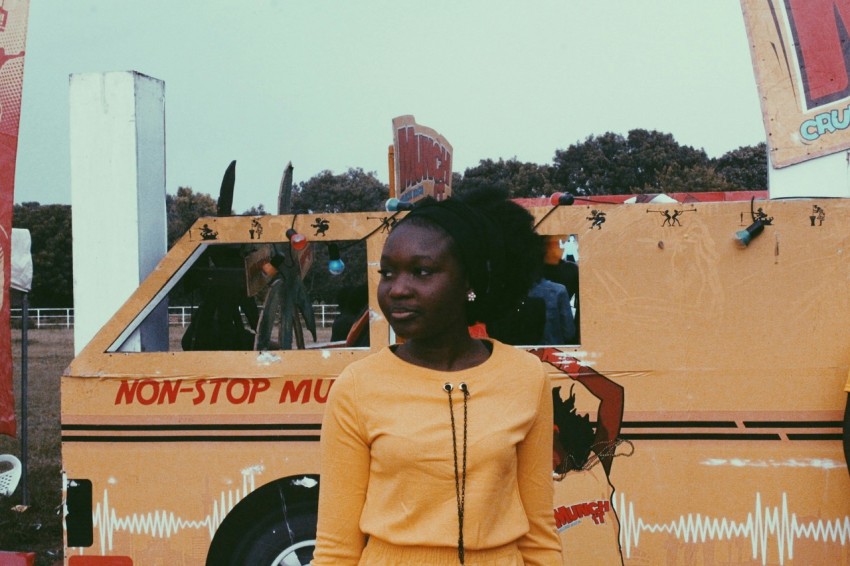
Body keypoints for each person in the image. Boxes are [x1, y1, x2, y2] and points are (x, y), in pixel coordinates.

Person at [312, 189, 564, 565]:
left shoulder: (525, 376)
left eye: (422, 271)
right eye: (388, 273)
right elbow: (336, 548)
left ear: (469, 282)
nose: (397, 290)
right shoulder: (357, 386)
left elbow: (540, 533)